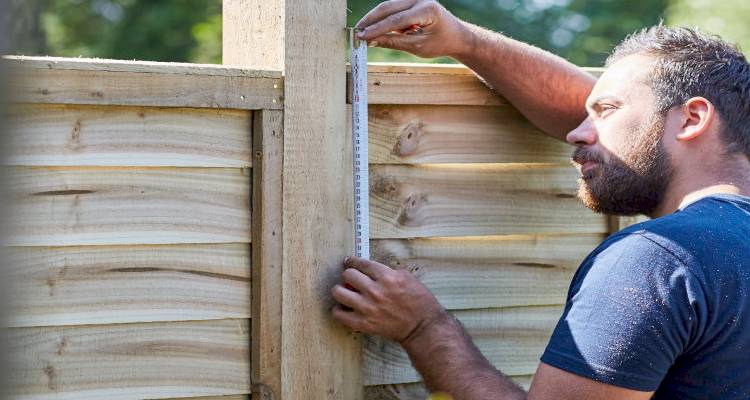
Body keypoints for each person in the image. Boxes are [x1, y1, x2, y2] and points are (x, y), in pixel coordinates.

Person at [331, 1, 750, 399]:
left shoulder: (658, 261)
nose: (577, 132)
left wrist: (423, 328)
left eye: (605, 109)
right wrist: (464, 41)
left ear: (693, 118)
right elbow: (639, 126)